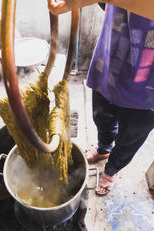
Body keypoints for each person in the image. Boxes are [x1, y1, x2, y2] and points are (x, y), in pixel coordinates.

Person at [47, 0, 154, 195]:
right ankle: (104, 148)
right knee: (102, 115)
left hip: (147, 81)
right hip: (112, 56)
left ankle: (112, 170)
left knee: (131, 135)